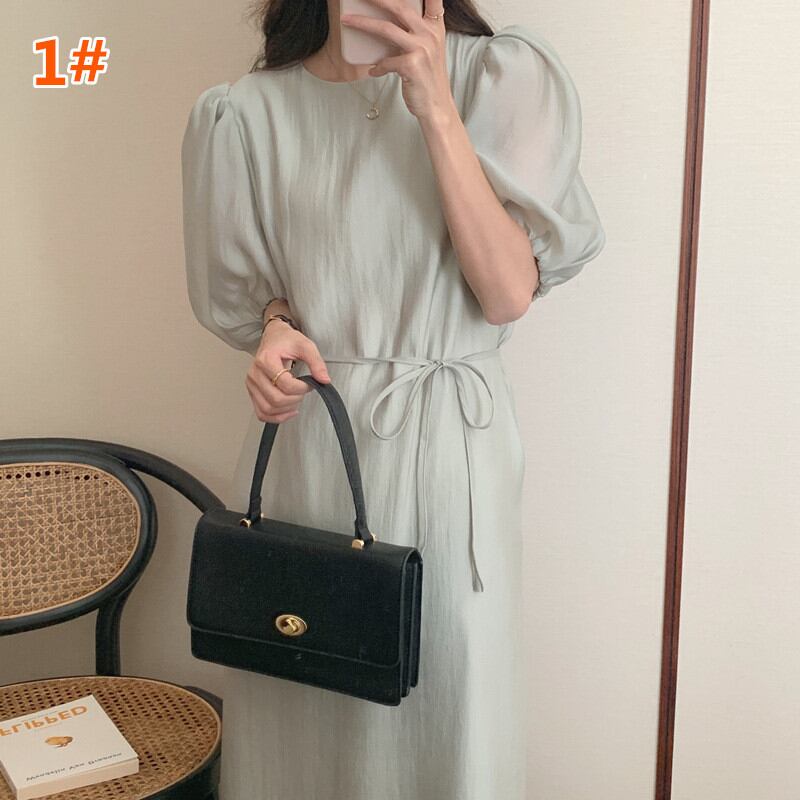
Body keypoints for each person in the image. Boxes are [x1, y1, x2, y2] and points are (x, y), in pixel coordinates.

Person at [181, 0, 605, 796]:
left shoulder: (500, 77)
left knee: (451, 699)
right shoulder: (246, 112)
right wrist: (274, 331)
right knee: (306, 686)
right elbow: (261, 298)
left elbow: (507, 292)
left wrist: (436, 106)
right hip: (317, 440)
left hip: (454, 451)